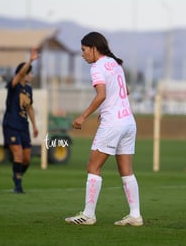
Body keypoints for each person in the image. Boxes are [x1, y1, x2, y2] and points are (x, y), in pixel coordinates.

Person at [65, 32, 143, 226]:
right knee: (126, 170)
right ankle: (135, 215)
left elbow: (101, 95)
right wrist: (110, 106)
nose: (82, 54)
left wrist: (83, 116)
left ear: (93, 48)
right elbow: (125, 90)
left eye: (84, 50)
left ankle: (88, 215)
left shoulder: (97, 67)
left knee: (93, 167)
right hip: (128, 122)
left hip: (113, 124)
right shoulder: (114, 63)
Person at [2, 48, 39, 194]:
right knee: (17, 154)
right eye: (30, 72)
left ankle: (17, 175)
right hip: (11, 124)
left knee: (26, 159)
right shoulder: (14, 85)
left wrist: (35, 126)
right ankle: (18, 186)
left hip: (24, 126)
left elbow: (29, 108)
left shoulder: (29, 89)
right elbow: (19, 74)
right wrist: (30, 60)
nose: (32, 75)